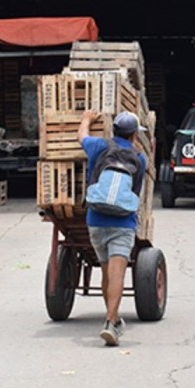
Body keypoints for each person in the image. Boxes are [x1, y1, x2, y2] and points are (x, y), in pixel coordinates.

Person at [78, 108, 148, 346]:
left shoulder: (99, 147)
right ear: (134, 135)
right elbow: (135, 192)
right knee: (117, 273)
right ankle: (110, 322)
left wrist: (86, 119)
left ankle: (114, 318)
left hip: (96, 220)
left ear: (113, 130)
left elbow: (82, 137)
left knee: (106, 272)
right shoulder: (139, 158)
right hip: (122, 223)